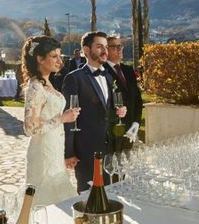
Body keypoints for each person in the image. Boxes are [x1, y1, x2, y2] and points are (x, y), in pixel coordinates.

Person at [62, 31, 126, 193]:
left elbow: (107, 110)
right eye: (99, 47)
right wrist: (69, 153)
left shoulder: (110, 77)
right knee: (89, 197)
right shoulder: (74, 78)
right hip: (87, 150)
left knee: (114, 193)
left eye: (106, 46)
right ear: (87, 50)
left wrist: (120, 111)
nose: (105, 51)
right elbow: (70, 119)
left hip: (111, 150)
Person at [22, 36, 80, 206]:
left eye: (60, 56)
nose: (59, 61)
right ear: (40, 59)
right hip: (42, 154)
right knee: (45, 204)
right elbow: (30, 129)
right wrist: (62, 118)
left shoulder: (48, 83)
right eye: (54, 56)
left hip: (54, 150)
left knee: (61, 202)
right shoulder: (35, 87)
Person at [105, 35, 143, 149]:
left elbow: (137, 99)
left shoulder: (128, 70)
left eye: (120, 46)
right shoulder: (102, 72)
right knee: (111, 165)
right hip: (111, 132)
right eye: (114, 46)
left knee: (125, 164)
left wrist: (136, 122)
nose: (119, 49)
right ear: (105, 50)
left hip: (130, 130)